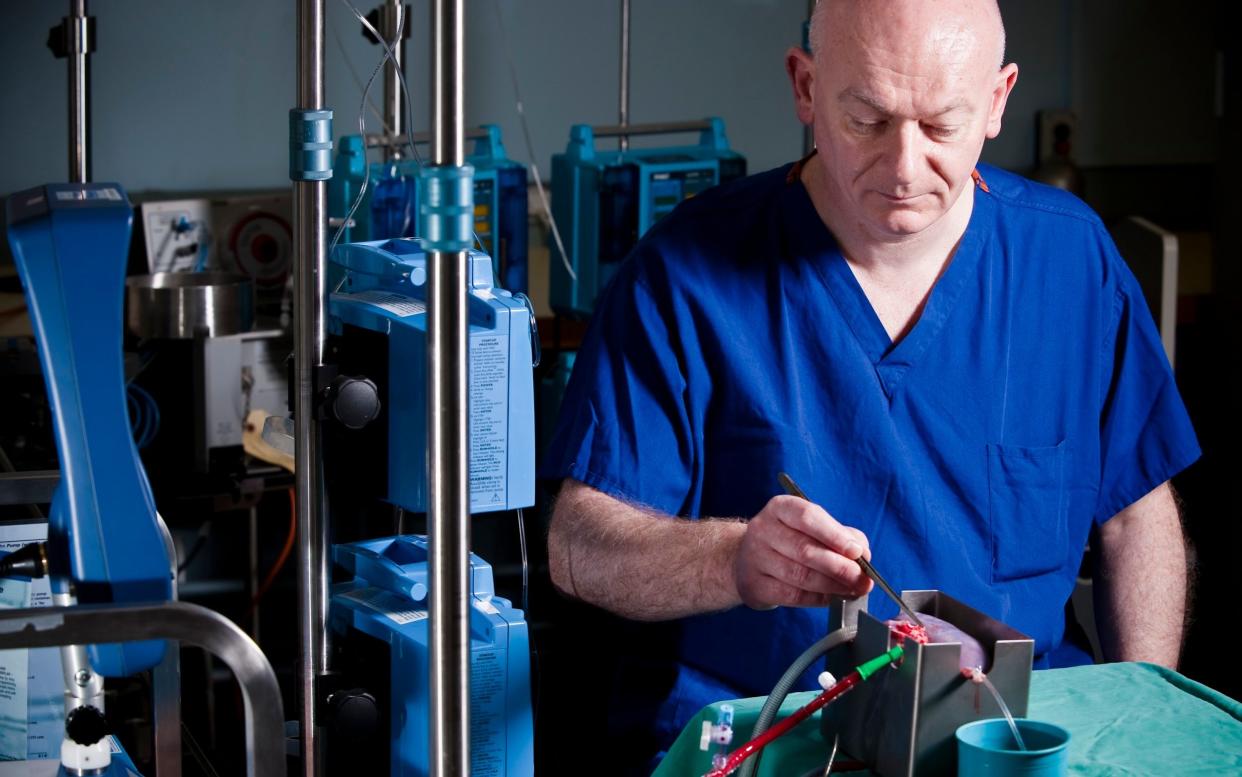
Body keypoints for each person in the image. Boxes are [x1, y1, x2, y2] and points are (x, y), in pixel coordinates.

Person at [540, 0, 1199, 767]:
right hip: (770, 740)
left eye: (942, 125)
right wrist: (731, 559)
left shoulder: (1069, 261)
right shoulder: (686, 273)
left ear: (996, 100)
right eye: (868, 120)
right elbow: (577, 546)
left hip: (1015, 736)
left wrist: (1143, 708)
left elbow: (1135, 516)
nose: (904, 167)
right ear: (805, 87)